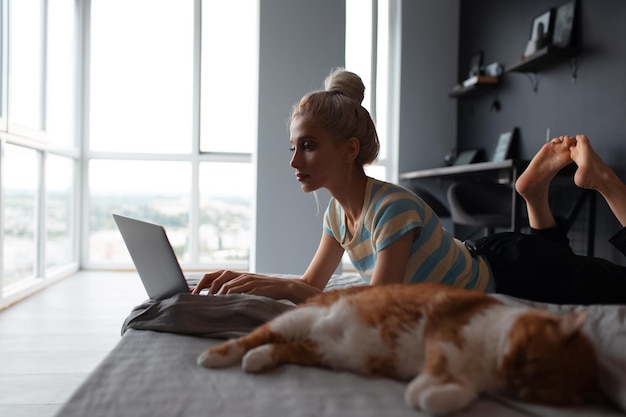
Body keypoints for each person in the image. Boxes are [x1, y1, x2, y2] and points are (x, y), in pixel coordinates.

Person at [192, 67, 626, 305]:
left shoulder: (391, 206)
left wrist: (287, 288)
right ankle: (533, 194)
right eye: (293, 146)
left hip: (515, 274)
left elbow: (382, 298)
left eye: (307, 146)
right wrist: (250, 280)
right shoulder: (337, 215)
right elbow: (312, 283)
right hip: (497, 255)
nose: (293, 161)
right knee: (556, 256)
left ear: (349, 149)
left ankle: (603, 181)